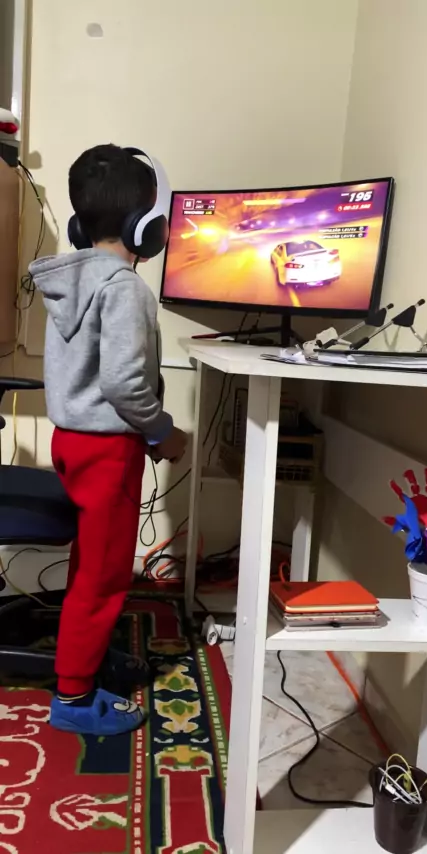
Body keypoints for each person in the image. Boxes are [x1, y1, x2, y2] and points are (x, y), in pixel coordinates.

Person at [30, 144, 187, 737]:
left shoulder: (71, 280)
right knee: (103, 577)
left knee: (88, 564)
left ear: (81, 223)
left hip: (71, 440)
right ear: (146, 227)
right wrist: (162, 430)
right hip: (107, 450)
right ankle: (73, 696)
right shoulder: (124, 289)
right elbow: (124, 384)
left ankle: (88, 658)